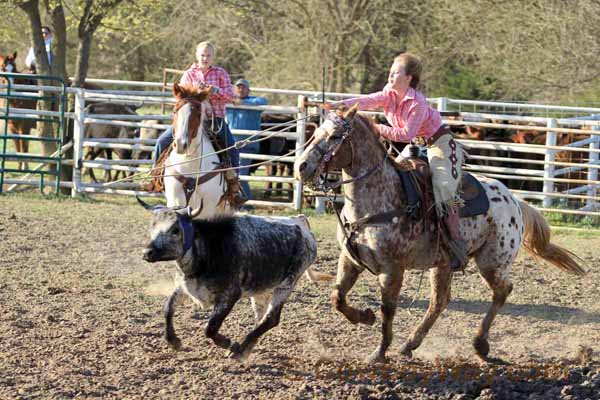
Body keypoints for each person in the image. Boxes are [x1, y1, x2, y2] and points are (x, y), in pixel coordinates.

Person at [322, 53, 468, 271]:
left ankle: (455, 239)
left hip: (439, 144)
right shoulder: (388, 94)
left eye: (396, 72)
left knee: (444, 188)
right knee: (391, 177)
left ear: (408, 78)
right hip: (417, 146)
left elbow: (405, 134)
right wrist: (340, 105)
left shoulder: (417, 102)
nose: (390, 76)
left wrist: (374, 128)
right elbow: (368, 101)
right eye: (391, 71)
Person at [152, 41, 246, 206]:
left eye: (208, 55)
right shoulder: (189, 74)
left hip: (214, 119)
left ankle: (233, 185)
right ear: (197, 55)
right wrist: (196, 91)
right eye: (202, 55)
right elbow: (181, 95)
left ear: (213, 57)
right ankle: (155, 176)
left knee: (231, 147)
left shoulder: (220, 73)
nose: (205, 58)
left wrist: (213, 90)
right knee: (162, 141)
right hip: (190, 120)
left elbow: (230, 95)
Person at [226, 78, 268, 204]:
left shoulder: (254, 101)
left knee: (240, 175)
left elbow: (264, 101)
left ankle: (247, 203)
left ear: (248, 90)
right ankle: (234, 200)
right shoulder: (230, 103)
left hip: (247, 145)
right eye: (238, 87)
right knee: (231, 175)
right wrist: (234, 102)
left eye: (243, 87)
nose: (240, 89)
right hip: (230, 145)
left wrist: (241, 103)